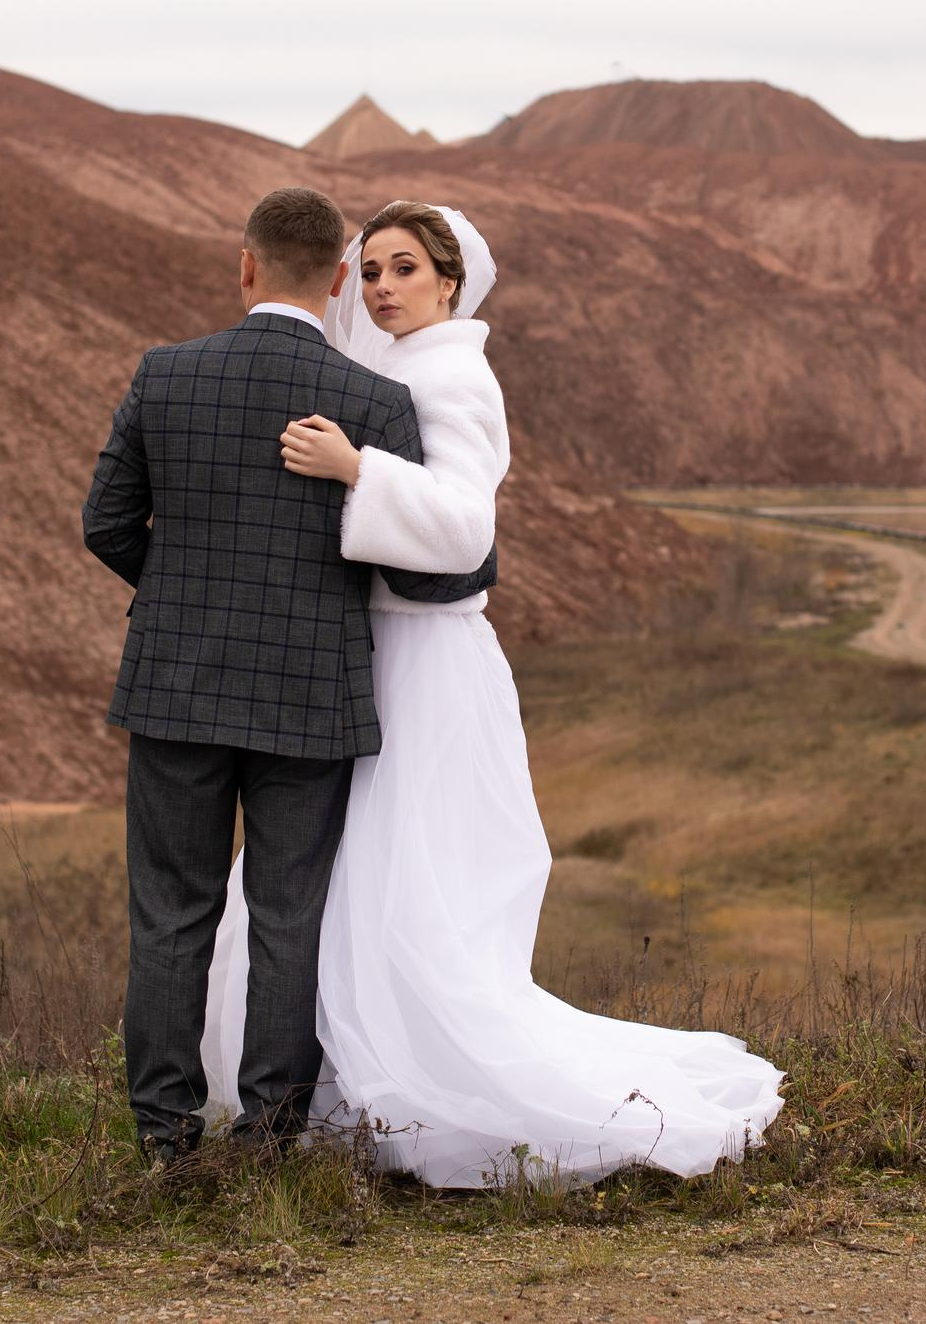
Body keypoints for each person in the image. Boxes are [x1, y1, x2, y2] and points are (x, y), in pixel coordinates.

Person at [199, 199, 784, 1188]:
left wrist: (355, 470)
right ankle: (341, 1086)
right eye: (370, 270)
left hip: (425, 660)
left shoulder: (451, 373)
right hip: (375, 651)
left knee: (411, 883)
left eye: (404, 270)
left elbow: (464, 528)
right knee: (351, 884)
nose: (382, 286)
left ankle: (419, 1092)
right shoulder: (396, 364)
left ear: (450, 282)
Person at [81, 185, 495, 1163]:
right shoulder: (374, 401)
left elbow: (104, 522)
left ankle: (163, 1143)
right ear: (343, 275)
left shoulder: (166, 374)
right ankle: (271, 1138)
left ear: (245, 264)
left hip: (177, 685)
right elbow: (399, 560)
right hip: (310, 695)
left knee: (170, 914)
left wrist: (181, 594)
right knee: (288, 915)